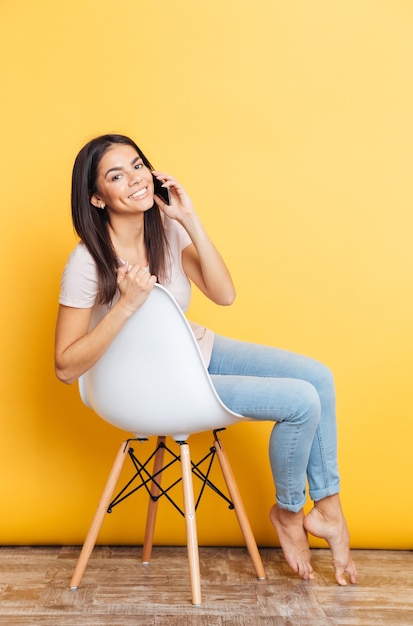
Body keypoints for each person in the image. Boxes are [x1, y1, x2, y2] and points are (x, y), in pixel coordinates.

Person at [55, 133, 357, 586]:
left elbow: (225, 294)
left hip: (197, 354)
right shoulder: (86, 261)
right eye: (116, 175)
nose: (135, 179)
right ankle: (290, 512)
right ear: (97, 198)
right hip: (151, 386)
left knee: (318, 377)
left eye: (138, 165)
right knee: (300, 401)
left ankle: (328, 510)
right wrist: (125, 304)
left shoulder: (167, 231)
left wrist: (190, 219)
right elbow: (65, 367)